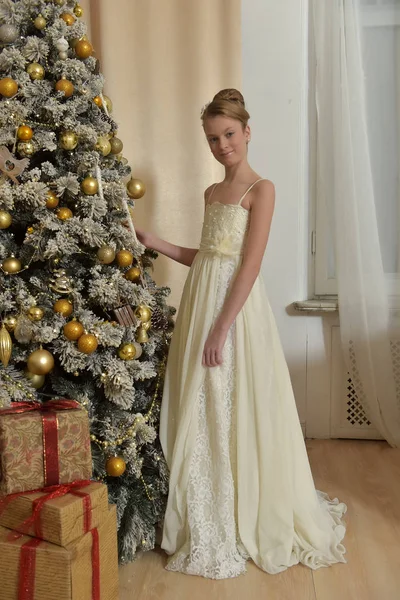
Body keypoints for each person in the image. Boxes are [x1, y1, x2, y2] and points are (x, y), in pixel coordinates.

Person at [134, 89, 347, 580]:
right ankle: (207, 503)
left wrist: (221, 329)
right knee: (202, 402)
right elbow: (206, 256)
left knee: (235, 398)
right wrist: (157, 242)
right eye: (212, 138)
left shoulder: (261, 189)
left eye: (229, 134)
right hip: (200, 305)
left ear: (247, 132)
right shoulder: (212, 193)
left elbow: (248, 266)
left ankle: (244, 503)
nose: (222, 145)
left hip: (234, 312)